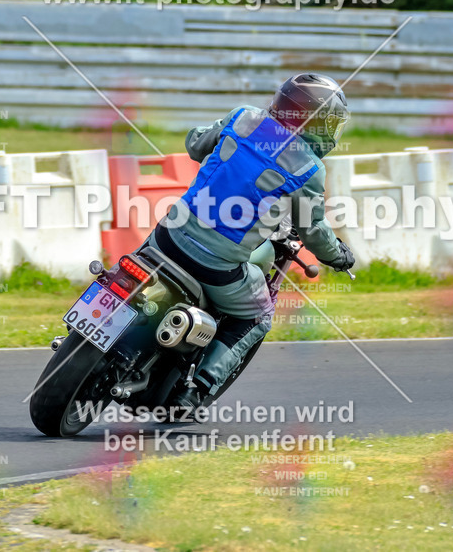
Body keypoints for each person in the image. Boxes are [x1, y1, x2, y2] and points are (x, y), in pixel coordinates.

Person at [140, 73, 356, 409]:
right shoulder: (310, 169)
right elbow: (312, 229)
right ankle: (195, 388)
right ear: (310, 119)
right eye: (327, 123)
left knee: (132, 267)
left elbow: (196, 144)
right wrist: (338, 257)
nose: (329, 132)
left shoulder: (241, 117)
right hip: (215, 265)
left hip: (166, 236)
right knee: (258, 315)